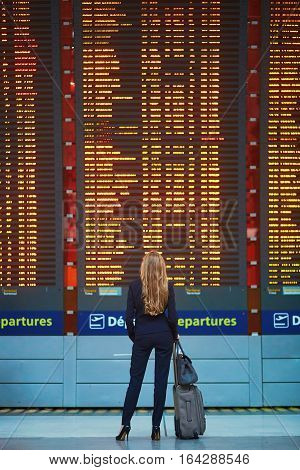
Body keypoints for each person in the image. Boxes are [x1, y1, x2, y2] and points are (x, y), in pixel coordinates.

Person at [115, 251, 179, 441]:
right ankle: (156, 428)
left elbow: (128, 318)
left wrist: (135, 336)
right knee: (160, 382)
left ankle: (126, 425)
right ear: (161, 267)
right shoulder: (168, 286)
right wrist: (174, 334)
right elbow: (173, 317)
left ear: (144, 266)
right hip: (164, 336)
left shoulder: (134, 286)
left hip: (142, 335)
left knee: (135, 381)